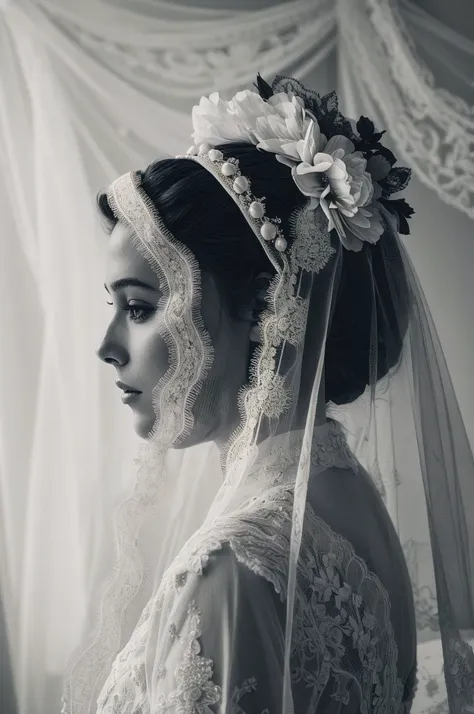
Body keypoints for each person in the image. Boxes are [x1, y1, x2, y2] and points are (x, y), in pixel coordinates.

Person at [61, 75, 474, 713]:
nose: (108, 346)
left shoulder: (231, 566)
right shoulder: (351, 500)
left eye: (139, 308)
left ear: (261, 304)